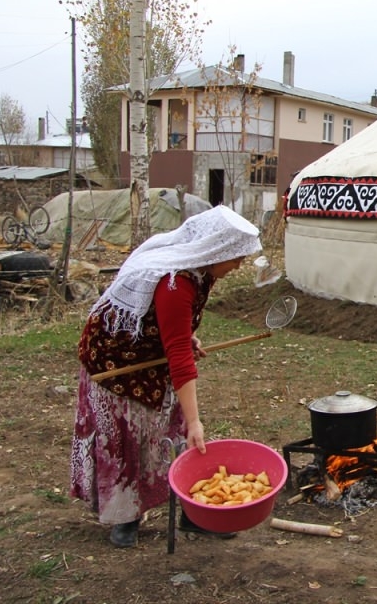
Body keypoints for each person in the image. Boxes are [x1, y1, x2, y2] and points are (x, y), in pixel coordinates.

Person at [70, 205, 262, 548]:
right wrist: (196, 420)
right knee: (128, 435)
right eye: (237, 258)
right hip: (115, 363)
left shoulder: (202, 270)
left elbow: (172, 326)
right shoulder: (176, 283)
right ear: (218, 251)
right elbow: (178, 356)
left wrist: (187, 337)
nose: (238, 266)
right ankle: (125, 517)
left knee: (173, 431)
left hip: (150, 354)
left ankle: (195, 514)